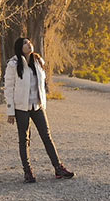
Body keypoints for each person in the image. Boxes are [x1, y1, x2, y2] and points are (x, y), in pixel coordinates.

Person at [5, 37, 74, 183]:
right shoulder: (13, 64)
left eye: (29, 42)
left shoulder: (38, 61)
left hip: (37, 106)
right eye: (25, 43)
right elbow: (9, 88)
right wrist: (10, 111)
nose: (29, 44)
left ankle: (58, 168)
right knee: (24, 140)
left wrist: (43, 104)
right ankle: (28, 172)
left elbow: (41, 86)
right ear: (19, 47)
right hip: (21, 107)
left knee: (47, 136)